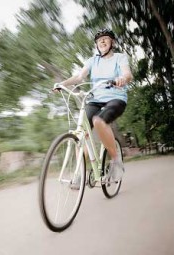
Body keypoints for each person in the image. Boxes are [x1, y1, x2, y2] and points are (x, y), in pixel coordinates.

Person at [54, 28, 133, 182]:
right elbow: (79, 77)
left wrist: (122, 79)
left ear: (112, 42)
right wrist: (61, 84)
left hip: (116, 97)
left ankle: (116, 161)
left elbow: (127, 74)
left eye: (106, 38)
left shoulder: (119, 57)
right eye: (99, 40)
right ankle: (80, 173)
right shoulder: (92, 61)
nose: (102, 41)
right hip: (96, 99)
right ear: (97, 44)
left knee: (98, 121)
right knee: (80, 132)